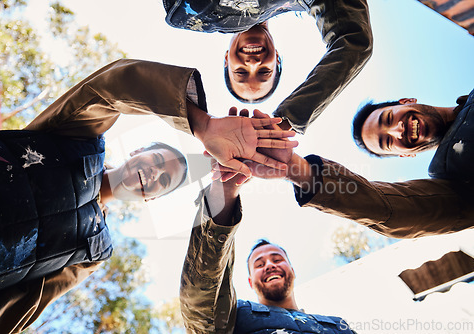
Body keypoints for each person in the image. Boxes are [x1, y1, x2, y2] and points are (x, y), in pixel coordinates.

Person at [0, 58, 297, 333]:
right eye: (155, 161)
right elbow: (113, 86)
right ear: (138, 151)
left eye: (164, 180)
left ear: (151, 199)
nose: (154, 174)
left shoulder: (93, 250)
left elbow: (20, 305)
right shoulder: (78, 138)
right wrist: (203, 124)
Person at [213, 94, 474, 239]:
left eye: (388, 118)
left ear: (405, 101)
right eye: (387, 141)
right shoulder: (455, 182)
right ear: (404, 156)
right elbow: (397, 209)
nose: (398, 129)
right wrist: (294, 167)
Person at [163, 0, 373, 133]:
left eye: (241, 72)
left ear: (226, 59)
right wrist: (287, 121)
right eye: (264, 71)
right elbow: (353, 42)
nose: (253, 64)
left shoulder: (190, 17)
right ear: (277, 59)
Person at [180, 175, 356, 333]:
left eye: (277, 259)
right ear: (250, 281)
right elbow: (200, 304)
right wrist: (224, 191)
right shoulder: (233, 317)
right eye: (259, 264)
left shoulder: (337, 325)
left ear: (293, 271)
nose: (270, 265)